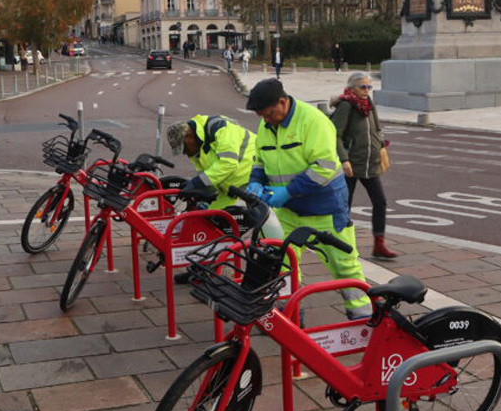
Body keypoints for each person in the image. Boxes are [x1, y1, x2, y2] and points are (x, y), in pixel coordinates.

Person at [245, 78, 372, 319]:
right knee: (281, 262)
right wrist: (256, 181)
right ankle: (288, 314)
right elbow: (260, 160)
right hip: (289, 212)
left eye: (269, 113)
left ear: (283, 102)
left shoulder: (313, 121)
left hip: (325, 208)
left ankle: (363, 315)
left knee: (344, 264)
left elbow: (323, 167)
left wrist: (288, 191)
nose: (265, 120)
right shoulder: (267, 126)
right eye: (262, 116)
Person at [167, 115, 256, 283]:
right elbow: (209, 176)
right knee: (207, 222)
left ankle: (225, 276)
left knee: (234, 232)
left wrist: (197, 183)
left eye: (184, 147)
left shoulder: (219, 128)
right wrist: (199, 191)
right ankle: (202, 269)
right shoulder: (196, 149)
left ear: (189, 136)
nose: (185, 152)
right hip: (230, 190)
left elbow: (228, 163)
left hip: (251, 185)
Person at [330, 73, 398, 260]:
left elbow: (376, 129)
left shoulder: (369, 104)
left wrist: (382, 147)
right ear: (352, 88)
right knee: (345, 205)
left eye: (369, 87)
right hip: (351, 165)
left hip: (370, 163)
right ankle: (342, 244)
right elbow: (335, 135)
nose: (366, 91)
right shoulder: (346, 106)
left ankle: (379, 244)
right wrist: (344, 159)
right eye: (363, 87)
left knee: (380, 201)